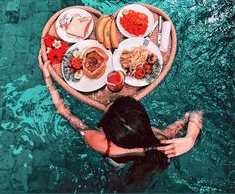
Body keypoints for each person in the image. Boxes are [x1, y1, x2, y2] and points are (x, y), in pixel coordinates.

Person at [38, 50, 203, 178]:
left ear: (107, 128)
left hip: (115, 161)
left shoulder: (99, 142)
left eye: (111, 106)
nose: (109, 103)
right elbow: (195, 113)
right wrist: (191, 138)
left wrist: (48, 80)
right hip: (144, 157)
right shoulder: (161, 140)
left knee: (113, 169)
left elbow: (66, 114)